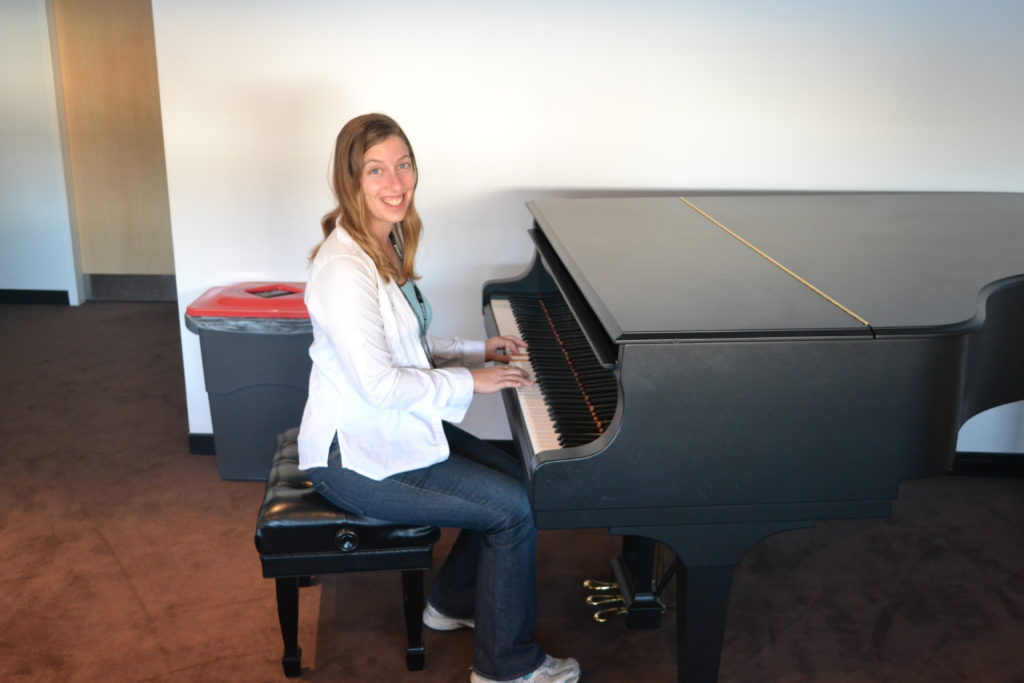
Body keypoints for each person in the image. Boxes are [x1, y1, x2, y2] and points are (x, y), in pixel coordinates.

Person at [296, 113, 581, 683]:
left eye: (403, 165)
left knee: (525, 480)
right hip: (353, 455)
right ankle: (507, 667)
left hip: (389, 428)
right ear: (349, 180)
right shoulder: (343, 269)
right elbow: (380, 383)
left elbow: (409, 343)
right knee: (513, 511)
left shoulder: (382, 240)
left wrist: (479, 350)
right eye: (376, 169)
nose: (395, 182)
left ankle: (450, 603)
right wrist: (472, 380)